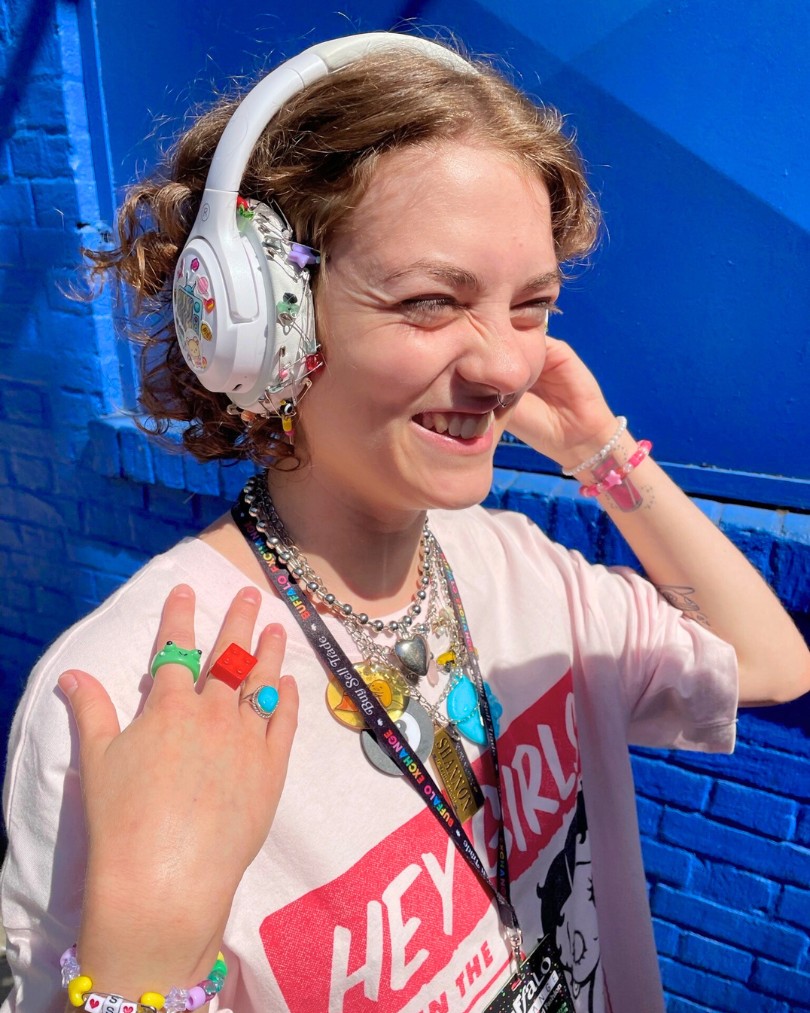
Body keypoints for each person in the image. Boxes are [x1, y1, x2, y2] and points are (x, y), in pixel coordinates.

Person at [1, 31, 808, 1013]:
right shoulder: (124, 697)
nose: (510, 367)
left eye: (531, 306)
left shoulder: (526, 571)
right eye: (434, 301)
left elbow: (769, 662)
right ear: (259, 325)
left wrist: (602, 451)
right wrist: (141, 962)